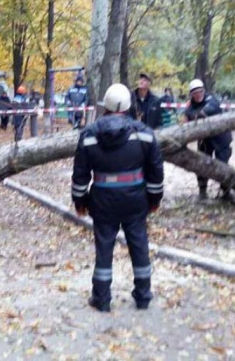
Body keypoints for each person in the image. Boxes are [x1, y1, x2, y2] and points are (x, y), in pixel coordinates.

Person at [72, 83, 164, 312]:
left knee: (104, 248)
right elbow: (156, 171)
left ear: (106, 105)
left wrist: (80, 202)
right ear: (129, 105)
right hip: (135, 201)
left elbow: (80, 175)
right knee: (139, 245)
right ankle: (143, 296)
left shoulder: (89, 135)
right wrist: (154, 200)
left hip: (102, 202)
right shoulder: (144, 133)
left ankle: (102, 298)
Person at [183, 79, 233, 200]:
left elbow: (210, 110)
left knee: (223, 165)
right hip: (204, 140)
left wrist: (195, 115)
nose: (198, 95)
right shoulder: (191, 105)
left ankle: (226, 192)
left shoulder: (212, 99)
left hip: (221, 138)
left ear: (203, 91)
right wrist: (194, 115)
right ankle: (202, 191)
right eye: (194, 93)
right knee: (201, 165)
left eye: (200, 92)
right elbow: (187, 115)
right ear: (191, 94)